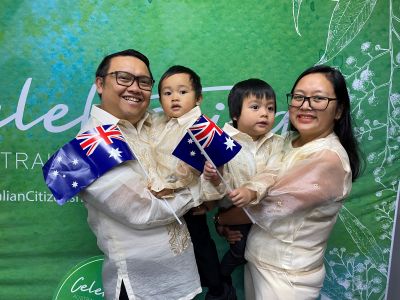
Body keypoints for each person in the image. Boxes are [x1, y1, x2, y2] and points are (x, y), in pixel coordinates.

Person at [213, 65, 362, 299]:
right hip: (257, 262)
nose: (305, 105)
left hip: (287, 277)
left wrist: (220, 218)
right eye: (299, 97)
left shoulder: (328, 158)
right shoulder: (286, 141)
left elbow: (267, 207)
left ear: (339, 110)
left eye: (319, 99)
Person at [78, 49, 201, 300]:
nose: (135, 88)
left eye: (144, 82)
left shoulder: (157, 123)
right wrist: (200, 191)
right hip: (140, 286)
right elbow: (144, 210)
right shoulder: (90, 146)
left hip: (183, 277)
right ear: (100, 84)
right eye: (123, 78)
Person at [148, 65, 231, 300]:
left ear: (198, 98)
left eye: (182, 92)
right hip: (158, 207)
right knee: (167, 262)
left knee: (201, 250)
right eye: (167, 93)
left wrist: (211, 180)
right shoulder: (155, 123)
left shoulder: (203, 130)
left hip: (189, 205)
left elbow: (221, 175)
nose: (175, 97)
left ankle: (218, 290)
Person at [202, 78, 283, 297]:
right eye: (255, 107)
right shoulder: (221, 140)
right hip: (233, 213)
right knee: (240, 250)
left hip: (268, 216)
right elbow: (216, 185)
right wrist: (214, 178)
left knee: (257, 256)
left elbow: (272, 174)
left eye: (271, 108)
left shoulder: (277, 143)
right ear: (236, 114)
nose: (265, 113)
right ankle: (220, 280)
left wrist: (251, 191)